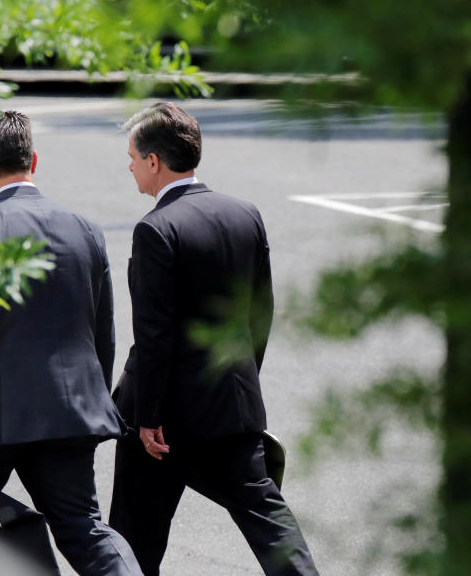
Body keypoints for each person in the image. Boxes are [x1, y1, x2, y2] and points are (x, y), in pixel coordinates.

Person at [0, 111, 142, 576]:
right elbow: (102, 330)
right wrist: (90, 402)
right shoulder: (85, 229)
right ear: (33, 159)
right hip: (70, 413)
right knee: (85, 528)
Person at [108, 102, 321, 576]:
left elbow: (155, 335)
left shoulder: (156, 230)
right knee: (269, 519)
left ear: (154, 162)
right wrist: (239, 381)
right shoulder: (245, 214)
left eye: (132, 157)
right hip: (231, 405)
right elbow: (259, 314)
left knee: (134, 539)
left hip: (163, 426)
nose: (129, 166)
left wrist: (149, 416)